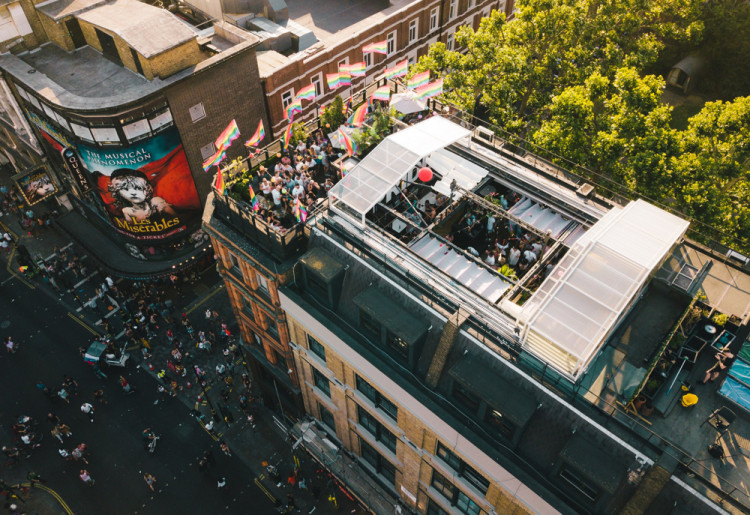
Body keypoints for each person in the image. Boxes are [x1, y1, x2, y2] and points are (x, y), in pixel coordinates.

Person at [107, 168, 176, 223]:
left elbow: (176, 217)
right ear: (118, 193)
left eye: (138, 188)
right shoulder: (127, 211)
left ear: (147, 189)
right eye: (125, 189)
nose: (133, 193)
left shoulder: (155, 201)